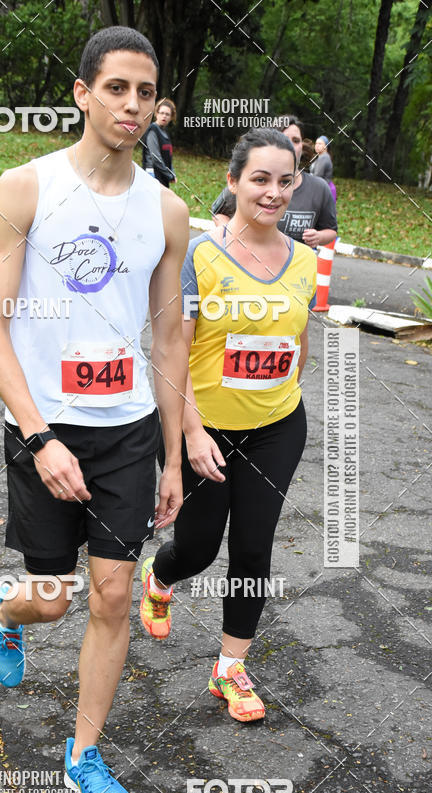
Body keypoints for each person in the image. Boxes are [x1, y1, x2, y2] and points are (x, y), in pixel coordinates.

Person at [0, 26, 189, 793]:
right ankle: (7, 611)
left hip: (127, 428)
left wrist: (172, 458)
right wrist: (40, 437)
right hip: (43, 425)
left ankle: (83, 754)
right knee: (55, 597)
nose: (132, 105)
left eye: (145, 91)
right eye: (116, 88)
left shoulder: (167, 212)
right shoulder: (28, 188)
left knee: (111, 593)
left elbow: (168, 339)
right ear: (82, 93)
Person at [140, 128, 316, 724]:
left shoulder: (307, 261)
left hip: (277, 426)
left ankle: (230, 668)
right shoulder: (200, 255)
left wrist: (276, 389)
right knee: (197, 545)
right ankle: (161, 578)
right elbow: (175, 353)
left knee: (252, 544)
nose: (272, 192)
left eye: (284, 180)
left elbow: (299, 342)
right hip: (206, 427)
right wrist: (190, 432)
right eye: (259, 179)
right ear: (233, 182)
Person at [211, 116, 337, 251]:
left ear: (302, 145)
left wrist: (319, 236)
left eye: (296, 141)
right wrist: (230, 235)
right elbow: (218, 213)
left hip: (295, 269)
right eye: (284, 139)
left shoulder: (319, 188)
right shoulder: (249, 182)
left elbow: (331, 230)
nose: (275, 194)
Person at [141, 98, 176, 187]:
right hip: (152, 174)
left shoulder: (165, 133)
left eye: (167, 114)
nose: (164, 116)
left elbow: (168, 156)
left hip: (162, 175)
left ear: (171, 117)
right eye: (162, 113)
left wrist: (172, 173)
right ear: (156, 114)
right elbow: (155, 158)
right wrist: (169, 175)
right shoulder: (153, 130)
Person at [310, 134, 336, 203]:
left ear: (326, 146)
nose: (317, 145)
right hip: (321, 189)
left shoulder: (324, 158)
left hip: (323, 191)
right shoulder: (321, 157)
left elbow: (317, 176)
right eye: (316, 143)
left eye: (320, 144)